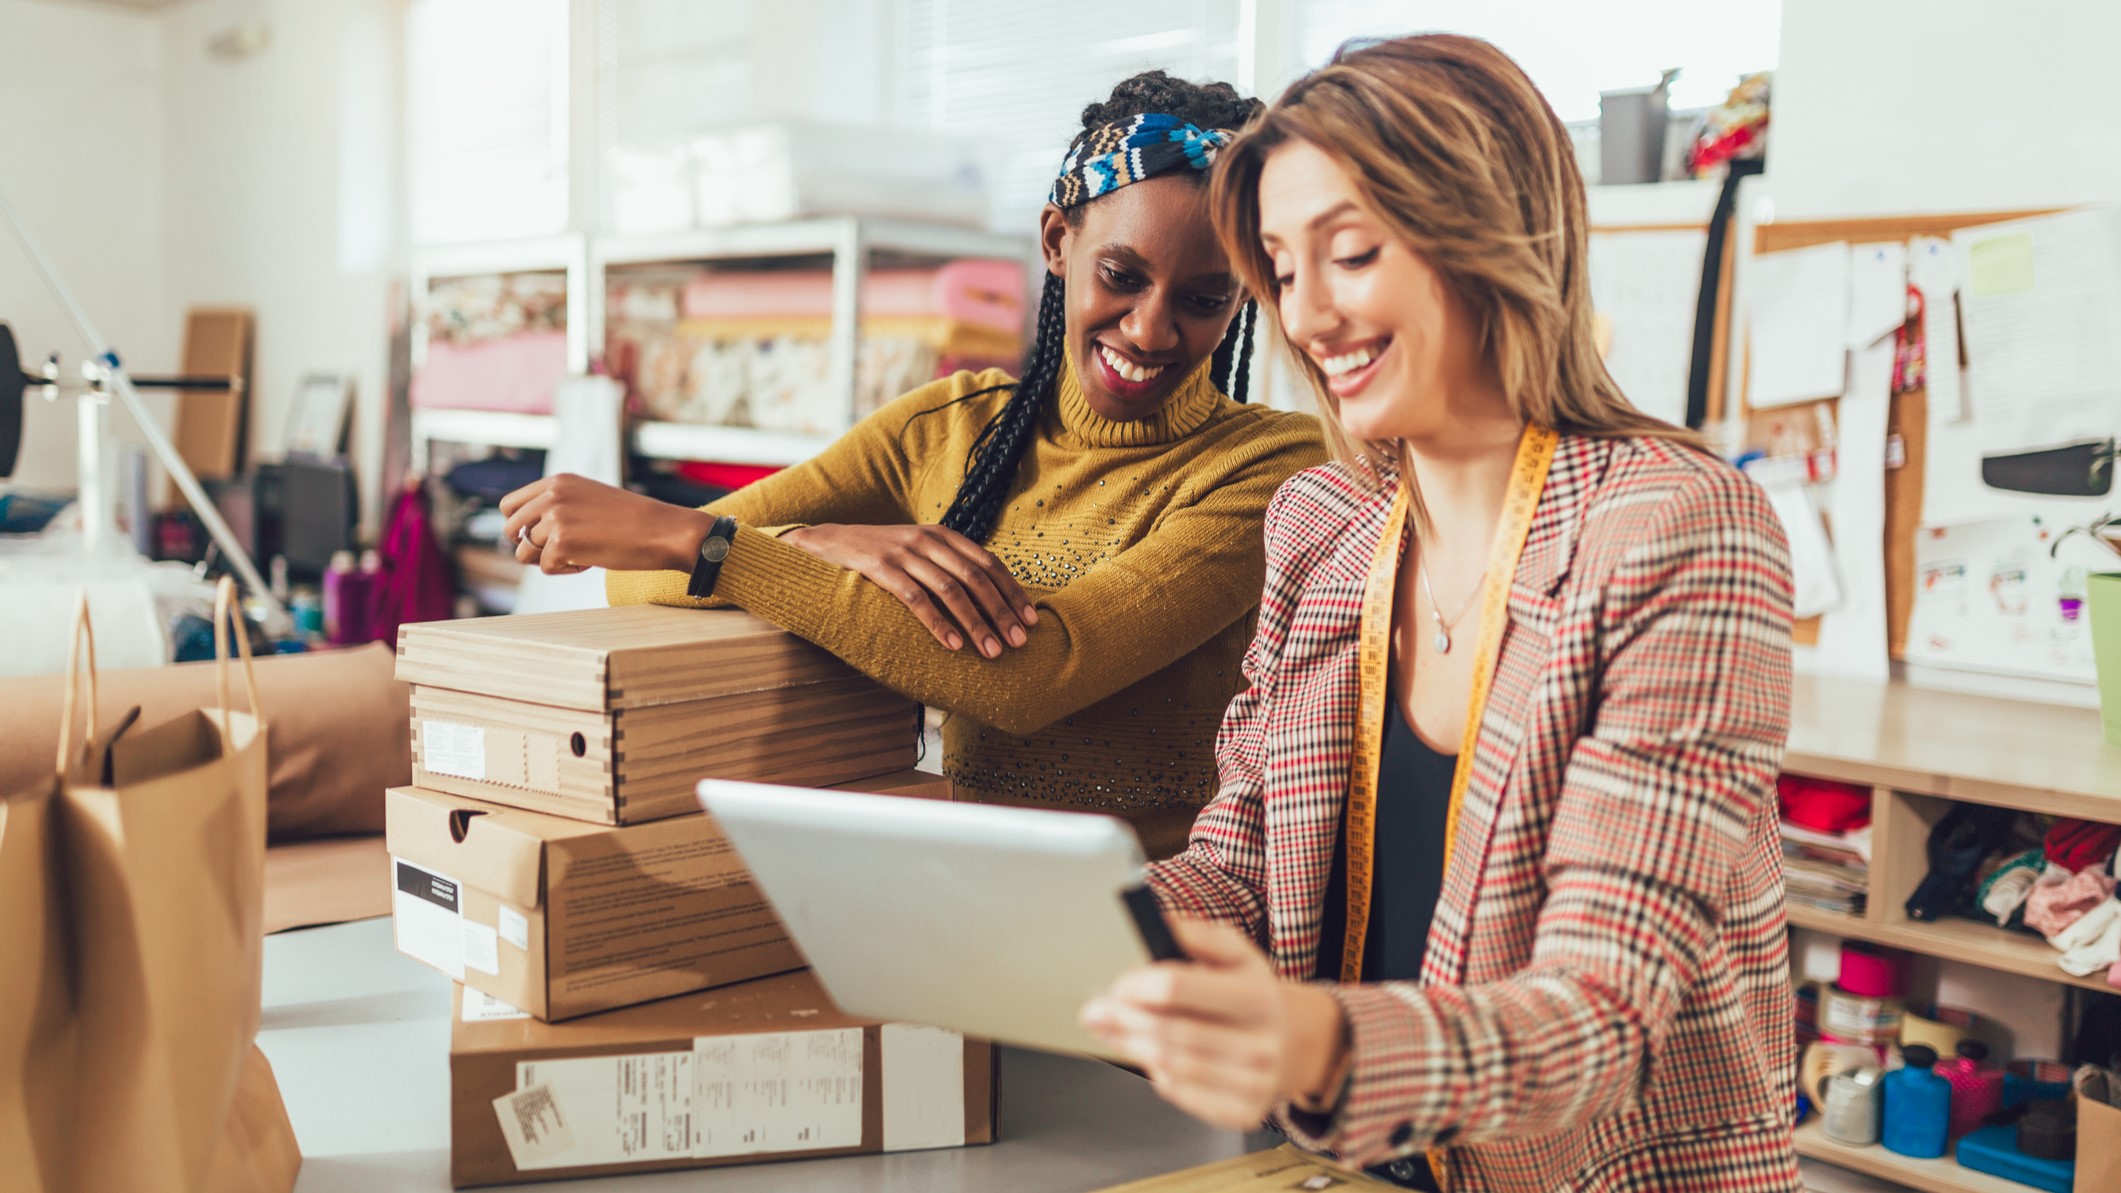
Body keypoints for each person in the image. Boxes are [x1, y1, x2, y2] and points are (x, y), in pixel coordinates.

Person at [1083, 35, 1799, 1191]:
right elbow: (1247, 864)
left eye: (1350, 253)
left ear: (1491, 236)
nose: (1308, 314)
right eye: (1280, 265)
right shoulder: (1323, 525)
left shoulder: (1677, 530)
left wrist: (1314, 1040)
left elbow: (1600, 1013)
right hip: (1361, 1163)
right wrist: (1086, 923)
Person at [500, 73, 1326, 858]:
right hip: (962, 908)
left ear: (1244, 294)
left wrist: (719, 546)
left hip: (1166, 929)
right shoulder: (952, 424)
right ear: (1055, 241)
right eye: (1121, 275)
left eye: (1204, 298)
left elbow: (1038, 672)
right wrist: (815, 540)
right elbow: (635, 572)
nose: (1150, 330)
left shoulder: (1270, 469)